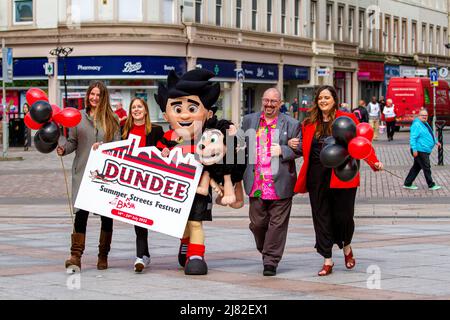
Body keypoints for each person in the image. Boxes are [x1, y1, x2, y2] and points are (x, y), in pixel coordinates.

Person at [290, 85, 384, 276]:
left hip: (342, 174)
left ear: (334, 99)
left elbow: (360, 143)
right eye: (320, 98)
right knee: (321, 216)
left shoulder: (347, 119)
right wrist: (292, 144)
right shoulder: (308, 123)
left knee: (343, 216)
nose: (323, 101)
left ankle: (347, 246)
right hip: (317, 175)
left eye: (327, 97)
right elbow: (302, 148)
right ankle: (327, 260)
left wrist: (374, 162)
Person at [154, 69, 220, 275]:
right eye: (177, 108)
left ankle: (196, 256)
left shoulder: (208, 136)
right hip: (175, 188)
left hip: (199, 188)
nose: (184, 114)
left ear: (208, 113)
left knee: (195, 222)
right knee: (182, 221)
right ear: (166, 114)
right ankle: (185, 245)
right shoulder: (168, 136)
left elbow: (218, 159)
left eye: (192, 108)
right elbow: (154, 156)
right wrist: (162, 152)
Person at [57, 81, 121, 271]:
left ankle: (103, 255)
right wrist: (63, 149)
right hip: (83, 174)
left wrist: (103, 147)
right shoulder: (78, 119)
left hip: (104, 177)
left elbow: (118, 146)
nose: (94, 98)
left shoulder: (113, 119)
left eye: (98, 95)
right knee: (80, 216)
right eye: (91, 94)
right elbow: (72, 142)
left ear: (104, 97)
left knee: (106, 216)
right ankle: (75, 256)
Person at [240, 87, 301, 276]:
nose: (269, 104)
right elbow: (241, 145)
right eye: (266, 100)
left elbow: (301, 148)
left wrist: (283, 150)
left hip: (280, 183)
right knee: (257, 224)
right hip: (256, 181)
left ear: (280, 103)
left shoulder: (291, 124)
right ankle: (266, 249)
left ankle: (270, 261)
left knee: (277, 225)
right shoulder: (249, 120)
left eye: (273, 101)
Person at [121, 97, 164, 273]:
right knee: (138, 219)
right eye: (133, 108)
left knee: (146, 217)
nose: (136, 110)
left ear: (145, 110)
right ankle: (142, 256)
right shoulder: (124, 129)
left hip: (150, 181)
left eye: (139, 107)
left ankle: (143, 254)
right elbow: (115, 146)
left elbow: (163, 149)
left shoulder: (155, 130)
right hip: (130, 181)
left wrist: (166, 150)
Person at [403, 108, 442, 191]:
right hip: (420, 150)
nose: (425, 117)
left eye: (426, 115)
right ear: (419, 116)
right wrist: (414, 149)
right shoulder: (417, 125)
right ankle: (431, 185)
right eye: (423, 115)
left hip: (424, 150)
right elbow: (413, 138)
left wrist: (436, 142)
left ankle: (407, 183)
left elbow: (430, 134)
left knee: (416, 167)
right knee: (426, 167)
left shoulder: (425, 123)